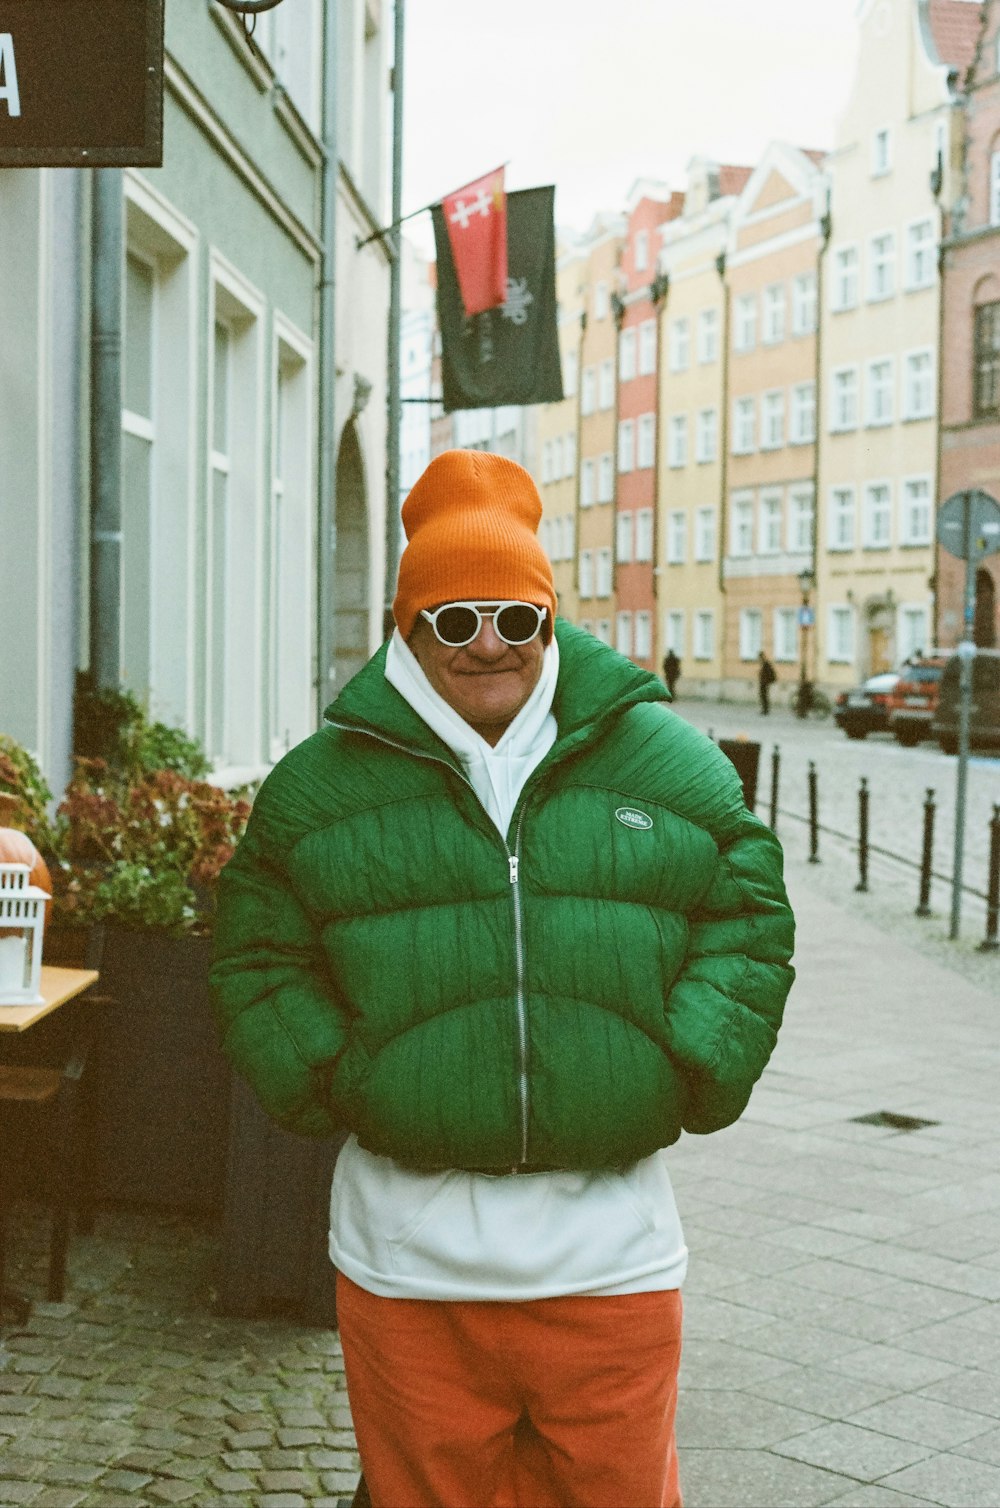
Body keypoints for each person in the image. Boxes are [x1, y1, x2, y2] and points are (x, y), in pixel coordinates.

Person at [210, 450, 795, 1508]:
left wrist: (692, 1057)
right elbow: (257, 950)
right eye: (454, 617)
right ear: (408, 624)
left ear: (549, 618)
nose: (488, 642)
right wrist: (336, 1073)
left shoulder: (660, 759)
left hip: (610, 1255)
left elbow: (746, 909)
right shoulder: (317, 787)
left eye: (516, 617)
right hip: (407, 1261)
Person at [758, 650, 777, 716]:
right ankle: (765, 709)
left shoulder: (766, 663)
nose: (759, 659)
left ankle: (765, 710)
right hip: (764, 682)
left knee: (764, 696)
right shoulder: (764, 663)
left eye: (760, 657)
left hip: (764, 683)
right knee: (763, 696)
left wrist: (764, 679)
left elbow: (768, 673)